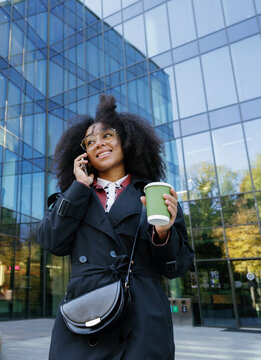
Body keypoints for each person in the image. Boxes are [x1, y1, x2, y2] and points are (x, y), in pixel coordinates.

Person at [37, 94, 194, 359]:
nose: (99, 144)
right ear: (83, 154)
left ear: (127, 140)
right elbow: (51, 242)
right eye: (90, 141)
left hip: (142, 320)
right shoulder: (72, 196)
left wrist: (163, 234)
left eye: (107, 135)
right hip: (84, 316)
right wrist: (78, 188)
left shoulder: (156, 194)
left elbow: (178, 267)